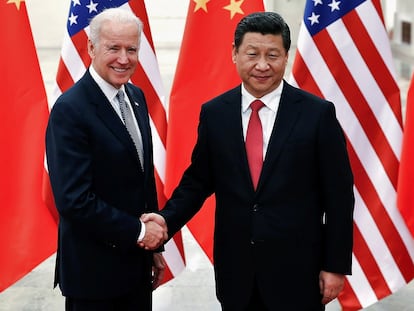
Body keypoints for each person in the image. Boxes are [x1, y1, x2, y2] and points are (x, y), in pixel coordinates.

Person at [142, 11, 354, 310]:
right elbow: (198, 181)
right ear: (234, 53)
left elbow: (339, 197)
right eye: (252, 54)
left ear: (285, 56)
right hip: (237, 272)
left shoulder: (317, 114)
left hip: (298, 273)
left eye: (273, 55)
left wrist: (335, 266)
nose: (262, 65)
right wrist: (165, 219)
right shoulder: (215, 113)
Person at [46, 8, 167, 311]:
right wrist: (140, 232)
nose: (124, 59)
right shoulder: (70, 109)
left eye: (132, 49)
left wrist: (153, 245)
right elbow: (74, 199)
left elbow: (142, 178)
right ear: (90, 47)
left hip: (136, 270)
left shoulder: (137, 97)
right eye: (113, 48)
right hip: (94, 279)